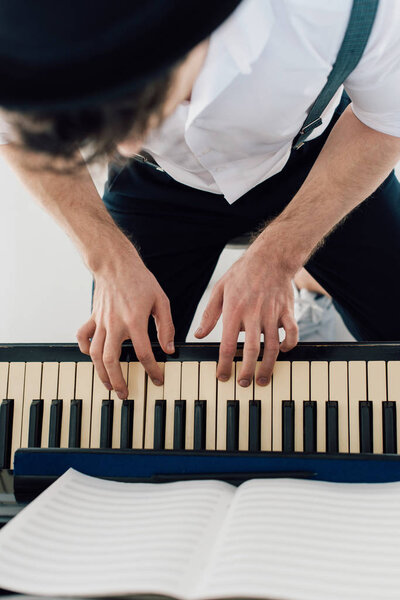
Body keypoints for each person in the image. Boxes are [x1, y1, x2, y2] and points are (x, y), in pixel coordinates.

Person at [0, 0, 400, 401]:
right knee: (126, 365)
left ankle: (309, 292)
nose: (126, 143)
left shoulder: (340, 11)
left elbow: (386, 122)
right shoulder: (24, 32)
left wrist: (280, 256)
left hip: (319, 160)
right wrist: (107, 261)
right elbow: (15, 134)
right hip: (154, 184)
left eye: (140, 107)